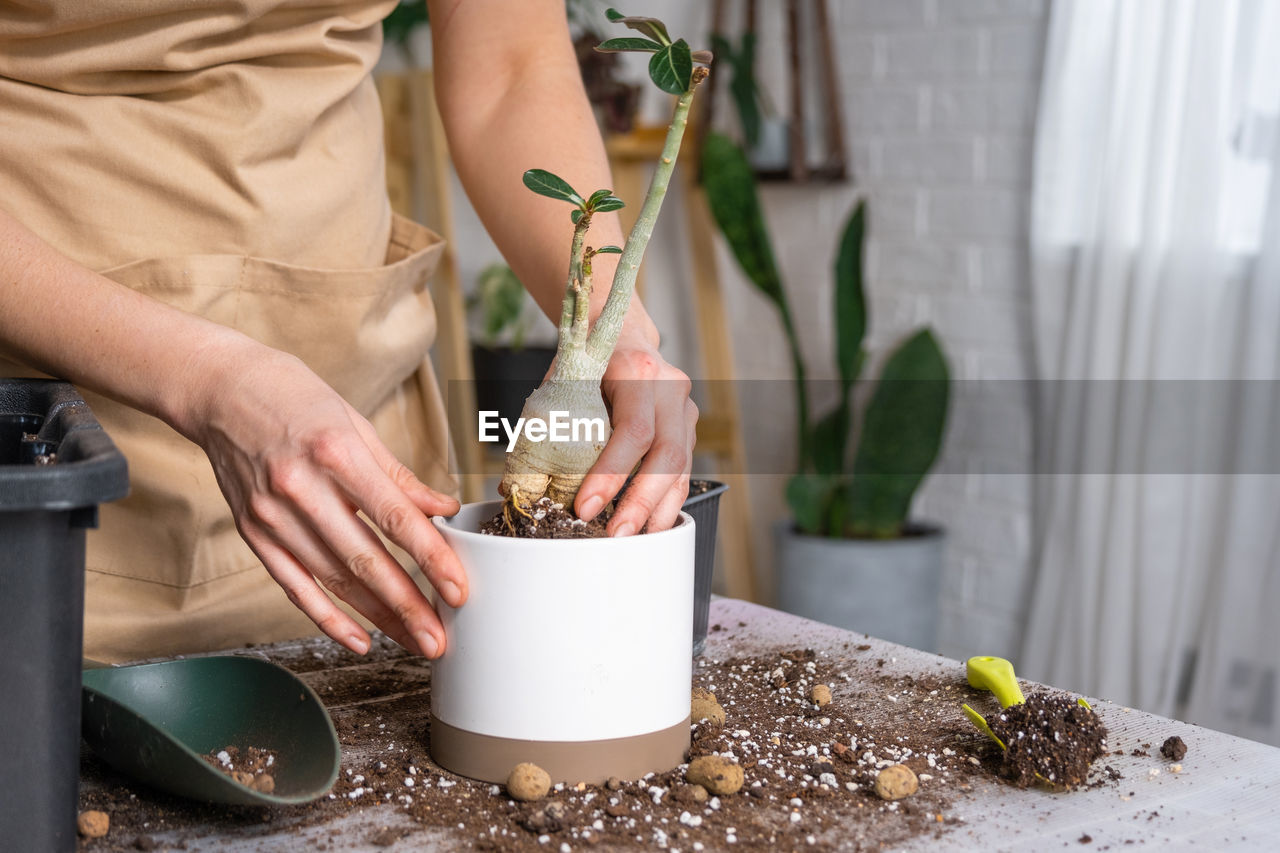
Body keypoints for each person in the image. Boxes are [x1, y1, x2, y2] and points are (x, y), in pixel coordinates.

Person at [0, 0, 698, 662]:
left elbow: (511, 66)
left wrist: (616, 333)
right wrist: (207, 378)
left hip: (359, 474)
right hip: (41, 483)